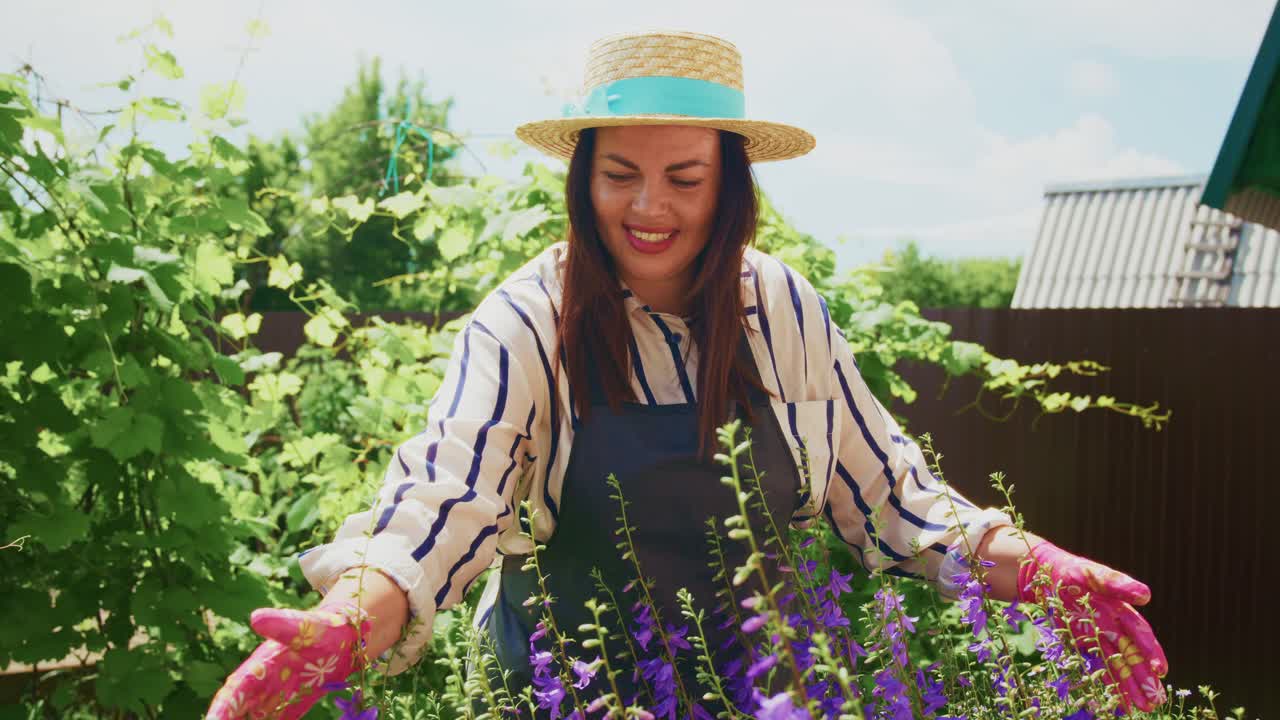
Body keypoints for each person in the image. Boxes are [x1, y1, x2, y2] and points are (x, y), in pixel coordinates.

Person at [206, 30, 1168, 719]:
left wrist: (1040, 572)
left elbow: (894, 502)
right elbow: (440, 504)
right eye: (619, 172)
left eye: (685, 178)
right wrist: (347, 618)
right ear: (582, 176)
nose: (648, 206)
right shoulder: (528, 321)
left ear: (732, 183)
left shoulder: (783, 310)